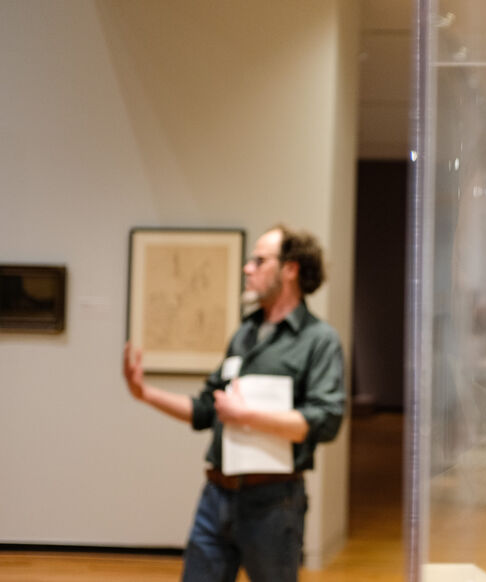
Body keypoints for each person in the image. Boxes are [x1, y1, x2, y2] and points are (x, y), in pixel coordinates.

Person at [123, 225, 346, 582]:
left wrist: (247, 416)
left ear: (291, 269)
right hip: (216, 496)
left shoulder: (319, 340)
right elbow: (206, 410)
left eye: (259, 260)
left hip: (274, 503)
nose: (248, 268)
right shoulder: (244, 334)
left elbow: (327, 419)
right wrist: (144, 393)